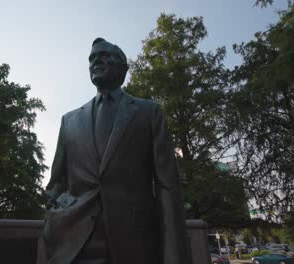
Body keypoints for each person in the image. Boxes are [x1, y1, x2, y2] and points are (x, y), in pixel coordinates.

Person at [37, 38, 186, 264]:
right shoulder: (69, 121)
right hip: (73, 245)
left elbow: (167, 186)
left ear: (123, 67)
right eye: (92, 58)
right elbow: (57, 182)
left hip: (135, 245)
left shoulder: (149, 112)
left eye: (104, 55)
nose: (96, 60)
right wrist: (54, 216)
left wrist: (173, 255)